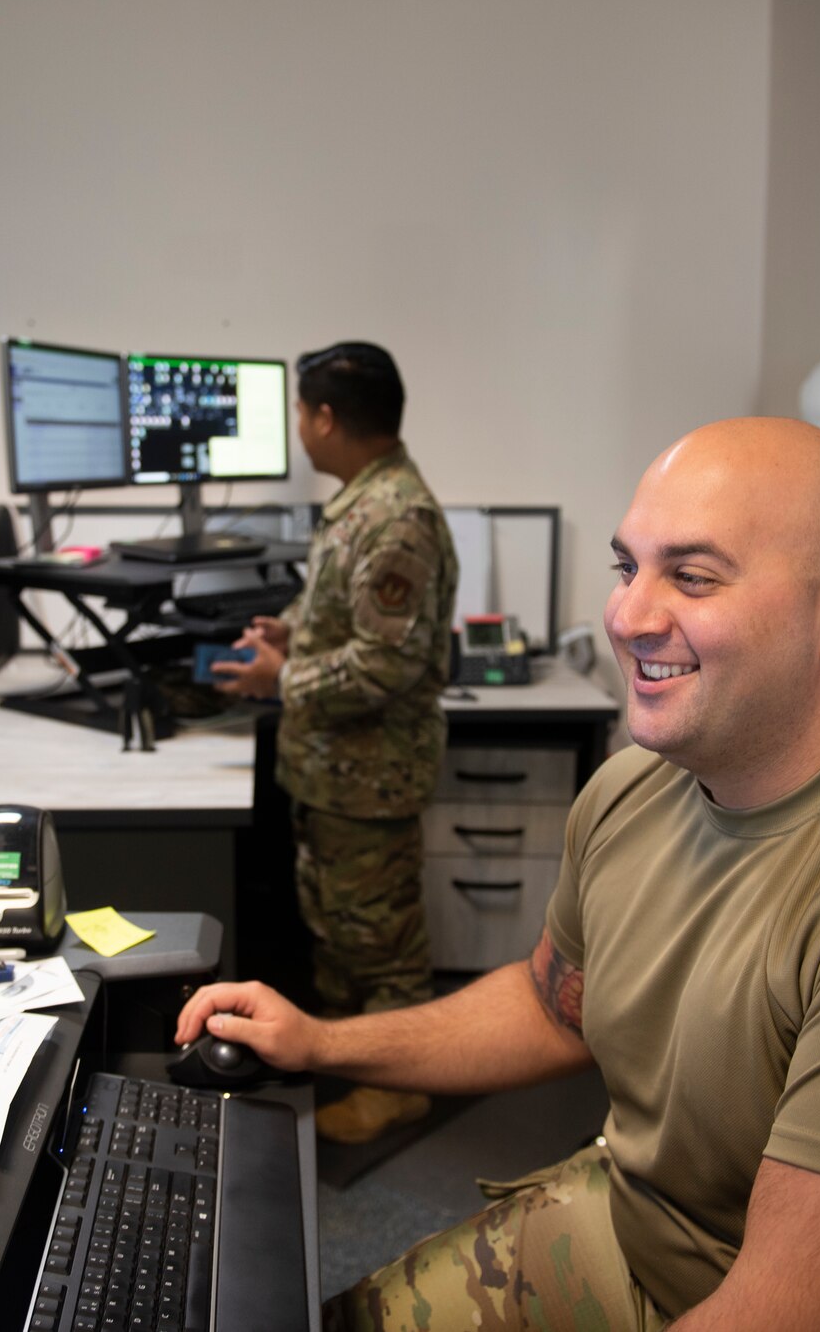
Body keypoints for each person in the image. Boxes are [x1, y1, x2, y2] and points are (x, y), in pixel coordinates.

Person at [182, 417, 820, 1330]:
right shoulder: (638, 787)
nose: (626, 615)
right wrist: (320, 1043)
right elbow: (551, 1005)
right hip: (649, 1227)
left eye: (690, 577)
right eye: (626, 566)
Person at [209, 342, 459, 1146]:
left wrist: (280, 677)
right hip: (334, 776)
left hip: (368, 778)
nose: (297, 431)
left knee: (380, 945)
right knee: (340, 932)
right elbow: (353, 625)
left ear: (324, 417)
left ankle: (396, 1090)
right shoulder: (364, 501)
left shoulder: (396, 518)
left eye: (299, 414)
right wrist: (297, 631)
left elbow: (386, 662)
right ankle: (355, 1065)